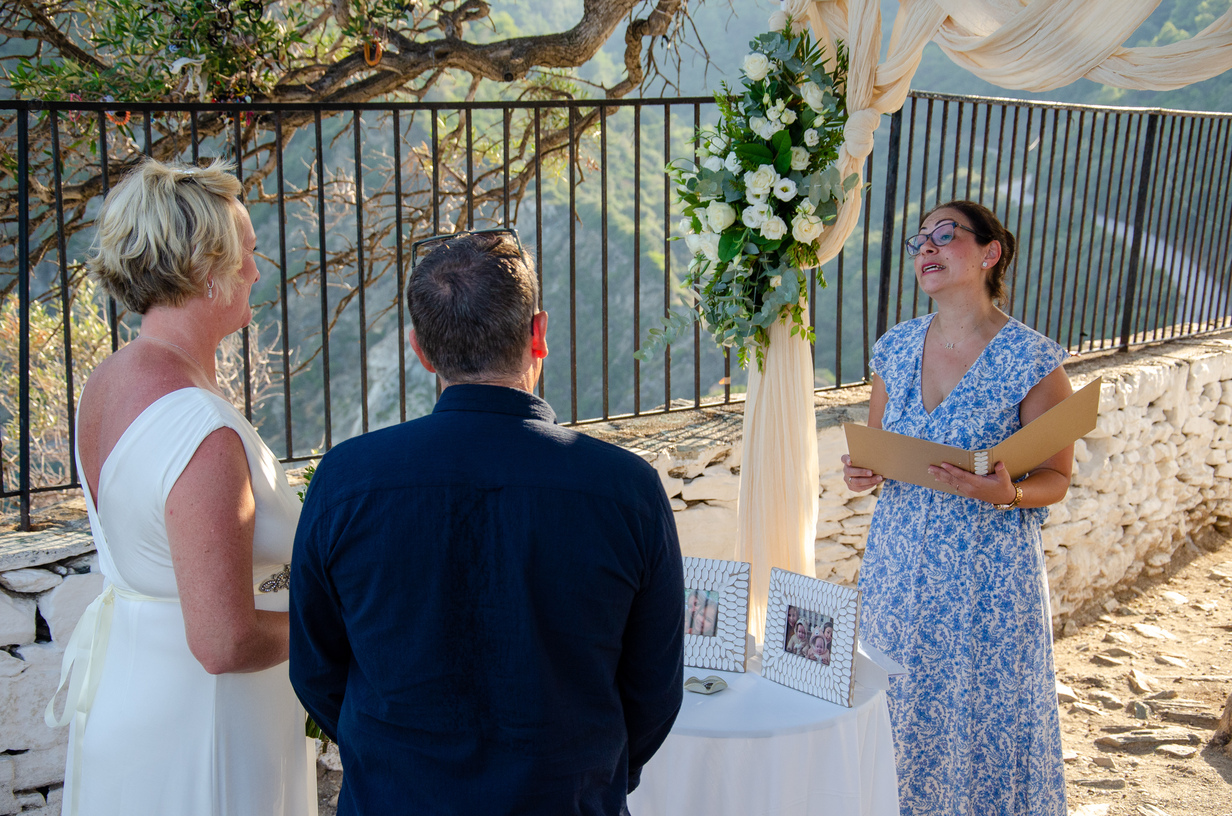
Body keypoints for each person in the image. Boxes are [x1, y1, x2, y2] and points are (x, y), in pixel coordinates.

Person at [289, 229, 684, 815]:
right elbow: (654, 688)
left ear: (420, 350)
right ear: (539, 335)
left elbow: (317, 670)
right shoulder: (625, 490)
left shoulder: (346, 481)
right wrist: (591, 773)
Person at [48, 158, 315, 815]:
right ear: (206, 270)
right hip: (208, 730)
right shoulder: (201, 431)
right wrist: (340, 630)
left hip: (131, 697)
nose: (257, 270)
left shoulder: (107, 383)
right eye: (248, 254)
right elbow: (223, 642)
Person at [841, 200, 1071, 816]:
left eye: (946, 236)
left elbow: (1056, 478)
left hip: (988, 581)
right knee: (895, 705)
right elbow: (878, 449)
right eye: (919, 240)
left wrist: (1010, 493)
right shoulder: (893, 348)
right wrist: (861, 471)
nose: (927, 249)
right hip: (899, 568)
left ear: (990, 253)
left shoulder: (1033, 360)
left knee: (984, 715)